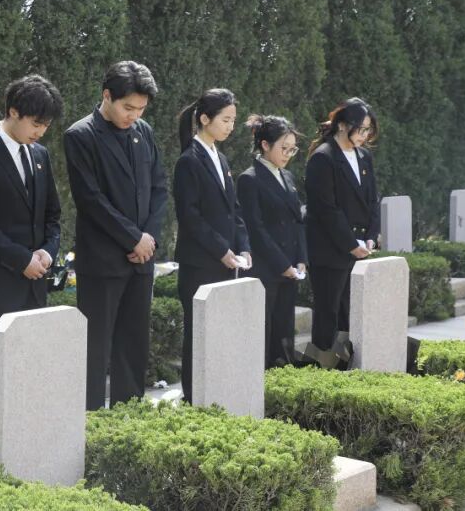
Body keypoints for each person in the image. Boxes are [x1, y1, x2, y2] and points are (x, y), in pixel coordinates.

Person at [0, 74, 63, 459]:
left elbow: (53, 215)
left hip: (35, 285)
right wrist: (21, 260)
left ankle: (26, 452)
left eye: (46, 125)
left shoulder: (40, 156)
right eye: (36, 123)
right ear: (13, 112)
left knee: (30, 373)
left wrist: (47, 253)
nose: (41, 131)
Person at [63, 61, 168, 410]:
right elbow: (91, 199)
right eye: (128, 107)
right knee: (94, 350)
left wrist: (149, 238)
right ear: (107, 96)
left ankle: (128, 420)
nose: (133, 116)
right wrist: (133, 239)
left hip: (142, 260)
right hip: (103, 261)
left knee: (133, 347)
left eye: (140, 109)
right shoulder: (81, 135)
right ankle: (89, 422)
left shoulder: (144, 132)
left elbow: (158, 187)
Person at [172, 89, 251, 402]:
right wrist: (222, 249)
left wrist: (243, 247)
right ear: (205, 119)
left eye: (233, 120)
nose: (230, 126)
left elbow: (234, 210)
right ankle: (193, 397)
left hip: (226, 261)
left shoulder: (221, 157)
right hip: (200, 263)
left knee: (220, 332)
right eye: (225, 120)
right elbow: (190, 216)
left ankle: (217, 393)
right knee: (199, 333)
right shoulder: (189, 160)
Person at [304, 97, 380, 352]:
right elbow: (326, 209)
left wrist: (371, 236)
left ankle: (349, 363)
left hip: (359, 248)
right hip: (330, 250)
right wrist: (350, 243)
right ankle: (324, 364)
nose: (364, 135)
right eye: (361, 129)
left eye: (368, 130)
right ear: (342, 125)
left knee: (352, 312)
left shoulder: (364, 156)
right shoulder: (323, 157)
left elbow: (372, 199)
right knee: (329, 312)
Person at [236, 114, 307, 367]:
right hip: (266, 268)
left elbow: (298, 220)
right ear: (265, 145)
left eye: (292, 149)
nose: (288, 154)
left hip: (291, 268)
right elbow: (255, 229)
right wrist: (282, 264)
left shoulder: (287, 177)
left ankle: (283, 379)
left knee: (284, 331)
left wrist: (301, 259)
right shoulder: (250, 178)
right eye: (283, 148)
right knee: (264, 332)